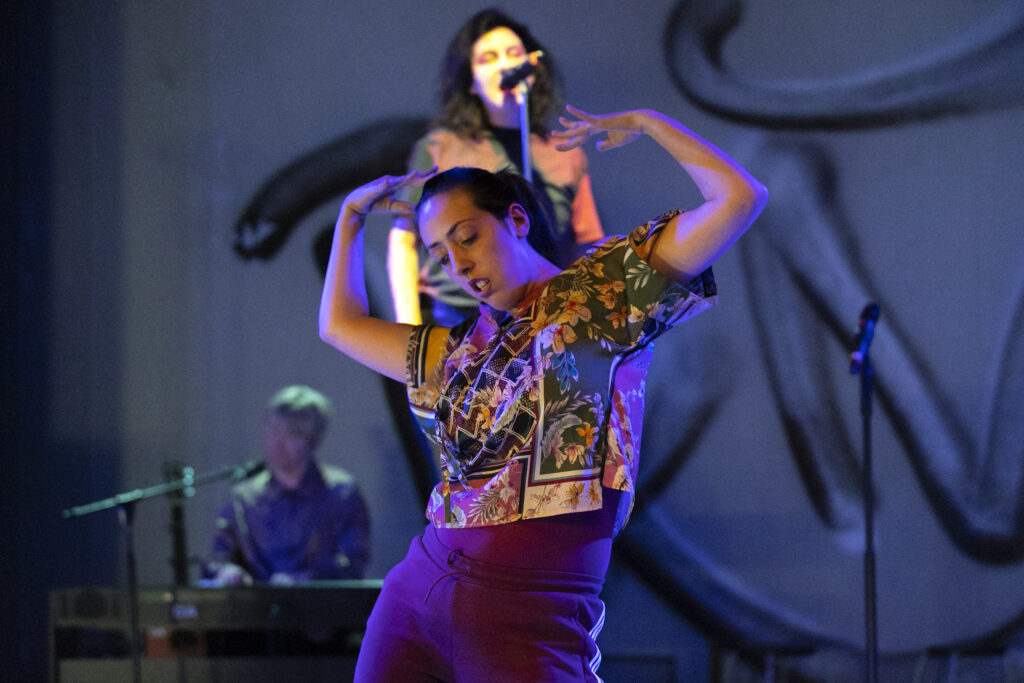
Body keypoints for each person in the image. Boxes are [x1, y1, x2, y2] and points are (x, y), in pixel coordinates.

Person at [319, 104, 767, 680]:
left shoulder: (600, 295)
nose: (458, 263)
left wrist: (651, 124)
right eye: (440, 253)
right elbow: (340, 326)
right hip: (416, 596)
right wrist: (351, 217)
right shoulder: (455, 351)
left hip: (531, 608)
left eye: (468, 237)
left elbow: (740, 197)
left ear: (516, 220)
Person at [387, 8, 604, 327]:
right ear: (471, 83)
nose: (505, 64)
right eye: (488, 58)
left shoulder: (563, 150)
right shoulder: (440, 148)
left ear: (530, 70)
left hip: (544, 315)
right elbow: (403, 240)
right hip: (461, 317)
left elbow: (585, 242)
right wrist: (411, 334)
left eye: (513, 53)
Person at [203, 385, 370, 586]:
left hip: (320, 611)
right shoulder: (244, 497)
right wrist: (228, 572)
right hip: (256, 612)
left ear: (314, 439)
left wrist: (301, 582)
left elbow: (353, 561)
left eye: (291, 433)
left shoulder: (342, 493)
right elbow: (218, 558)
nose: (278, 442)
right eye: (274, 429)